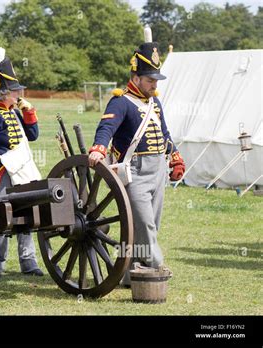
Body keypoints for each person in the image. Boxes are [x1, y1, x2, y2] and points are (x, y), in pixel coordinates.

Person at [88, 29, 185, 286]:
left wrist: (174, 157)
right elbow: (106, 128)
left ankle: (130, 274)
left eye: (156, 79)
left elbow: (164, 133)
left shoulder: (155, 103)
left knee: (147, 224)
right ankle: (155, 267)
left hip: (158, 170)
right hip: (135, 171)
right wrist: (99, 147)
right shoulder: (121, 101)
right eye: (150, 79)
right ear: (136, 77)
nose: (155, 84)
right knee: (144, 224)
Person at [0, 47, 44, 278]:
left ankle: (28, 260)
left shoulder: (15, 111)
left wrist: (29, 113)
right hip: (0, 171)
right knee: (0, 215)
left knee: (27, 213)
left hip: (21, 171)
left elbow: (32, 136)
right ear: (3, 92)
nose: (19, 94)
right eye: (15, 91)